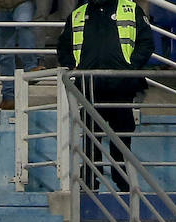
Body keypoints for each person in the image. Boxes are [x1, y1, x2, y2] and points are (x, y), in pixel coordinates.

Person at [57, 0, 156, 191]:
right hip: (89, 88)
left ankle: (123, 182)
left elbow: (146, 42)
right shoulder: (78, 14)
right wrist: (74, 67)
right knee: (90, 139)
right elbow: (63, 47)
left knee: (122, 138)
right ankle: (90, 182)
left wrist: (129, 68)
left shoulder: (130, 9)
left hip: (121, 87)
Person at [0, 0, 40, 109]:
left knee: (23, 25)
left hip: (22, 2)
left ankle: (31, 67)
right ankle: (8, 97)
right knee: (4, 54)